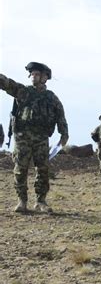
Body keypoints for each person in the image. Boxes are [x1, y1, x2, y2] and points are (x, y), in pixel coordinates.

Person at [0, 62, 68, 213]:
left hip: (41, 138)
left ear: (45, 78)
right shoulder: (23, 91)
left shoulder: (51, 98)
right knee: (20, 169)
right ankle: (22, 201)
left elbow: (60, 116)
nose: (33, 76)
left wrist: (64, 134)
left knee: (42, 169)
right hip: (22, 137)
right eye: (32, 74)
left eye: (37, 74)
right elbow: (6, 84)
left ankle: (40, 201)